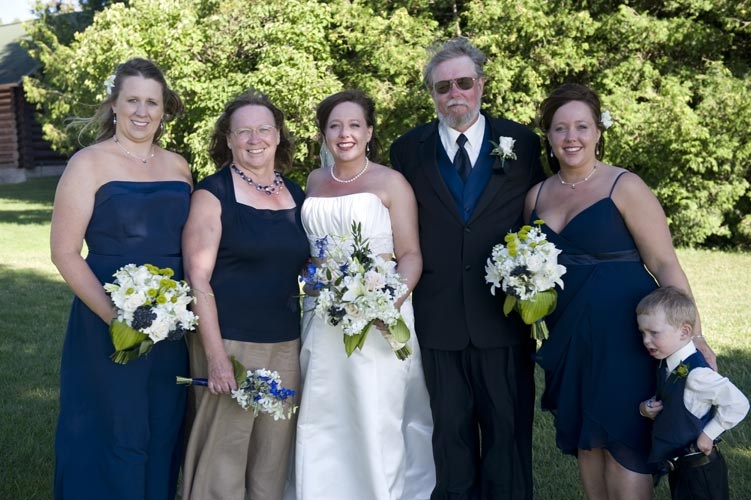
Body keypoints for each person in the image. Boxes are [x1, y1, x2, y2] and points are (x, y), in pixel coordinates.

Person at [523, 82, 718, 499]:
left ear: (598, 131)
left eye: (582, 126)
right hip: (569, 339)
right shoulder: (536, 196)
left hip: (626, 336)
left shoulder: (624, 186)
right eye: (560, 128)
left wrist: (694, 337)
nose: (571, 137)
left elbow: (665, 264)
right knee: (588, 445)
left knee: (625, 444)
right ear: (549, 136)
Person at [390, 37, 544, 499]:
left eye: (463, 82)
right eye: (443, 87)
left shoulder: (522, 143)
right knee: (448, 438)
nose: (454, 93)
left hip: (502, 317)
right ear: (432, 94)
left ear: (480, 84)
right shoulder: (407, 149)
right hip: (437, 319)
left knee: (507, 436)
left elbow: (539, 219)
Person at [51, 57, 191, 499]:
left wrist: (173, 312)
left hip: (171, 323)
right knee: (112, 423)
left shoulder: (179, 167)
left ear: (164, 109)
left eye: (152, 102)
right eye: (132, 100)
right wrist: (118, 319)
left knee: (163, 422)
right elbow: (64, 253)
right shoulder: (88, 163)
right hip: (106, 319)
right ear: (114, 104)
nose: (142, 111)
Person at [289, 89, 435, 500]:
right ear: (323, 134)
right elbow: (310, 255)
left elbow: (411, 255)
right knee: (324, 411)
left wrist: (385, 305)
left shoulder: (391, 182)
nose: (345, 134)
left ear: (369, 131)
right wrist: (309, 278)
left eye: (354, 125)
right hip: (323, 315)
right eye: (335, 126)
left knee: (375, 411)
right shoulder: (314, 181)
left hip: (379, 316)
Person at [180, 89, 309, 500]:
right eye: (244, 131)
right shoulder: (212, 194)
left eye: (264, 129)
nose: (255, 139)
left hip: (285, 343)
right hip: (230, 341)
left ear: (278, 136)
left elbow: (305, 265)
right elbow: (197, 279)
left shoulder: (295, 194)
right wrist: (216, 357)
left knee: (272, 457)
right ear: (229, 139)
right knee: (223, 456)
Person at [637, 286, 748, 500]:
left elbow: (738, 403)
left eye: (654, 333)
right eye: (643, 332)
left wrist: (708, 434)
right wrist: (646, 409)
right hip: (681, 468)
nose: (646, 340)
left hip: (700, 470)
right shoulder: (666, 362)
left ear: (684, 332)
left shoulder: (697, 375)